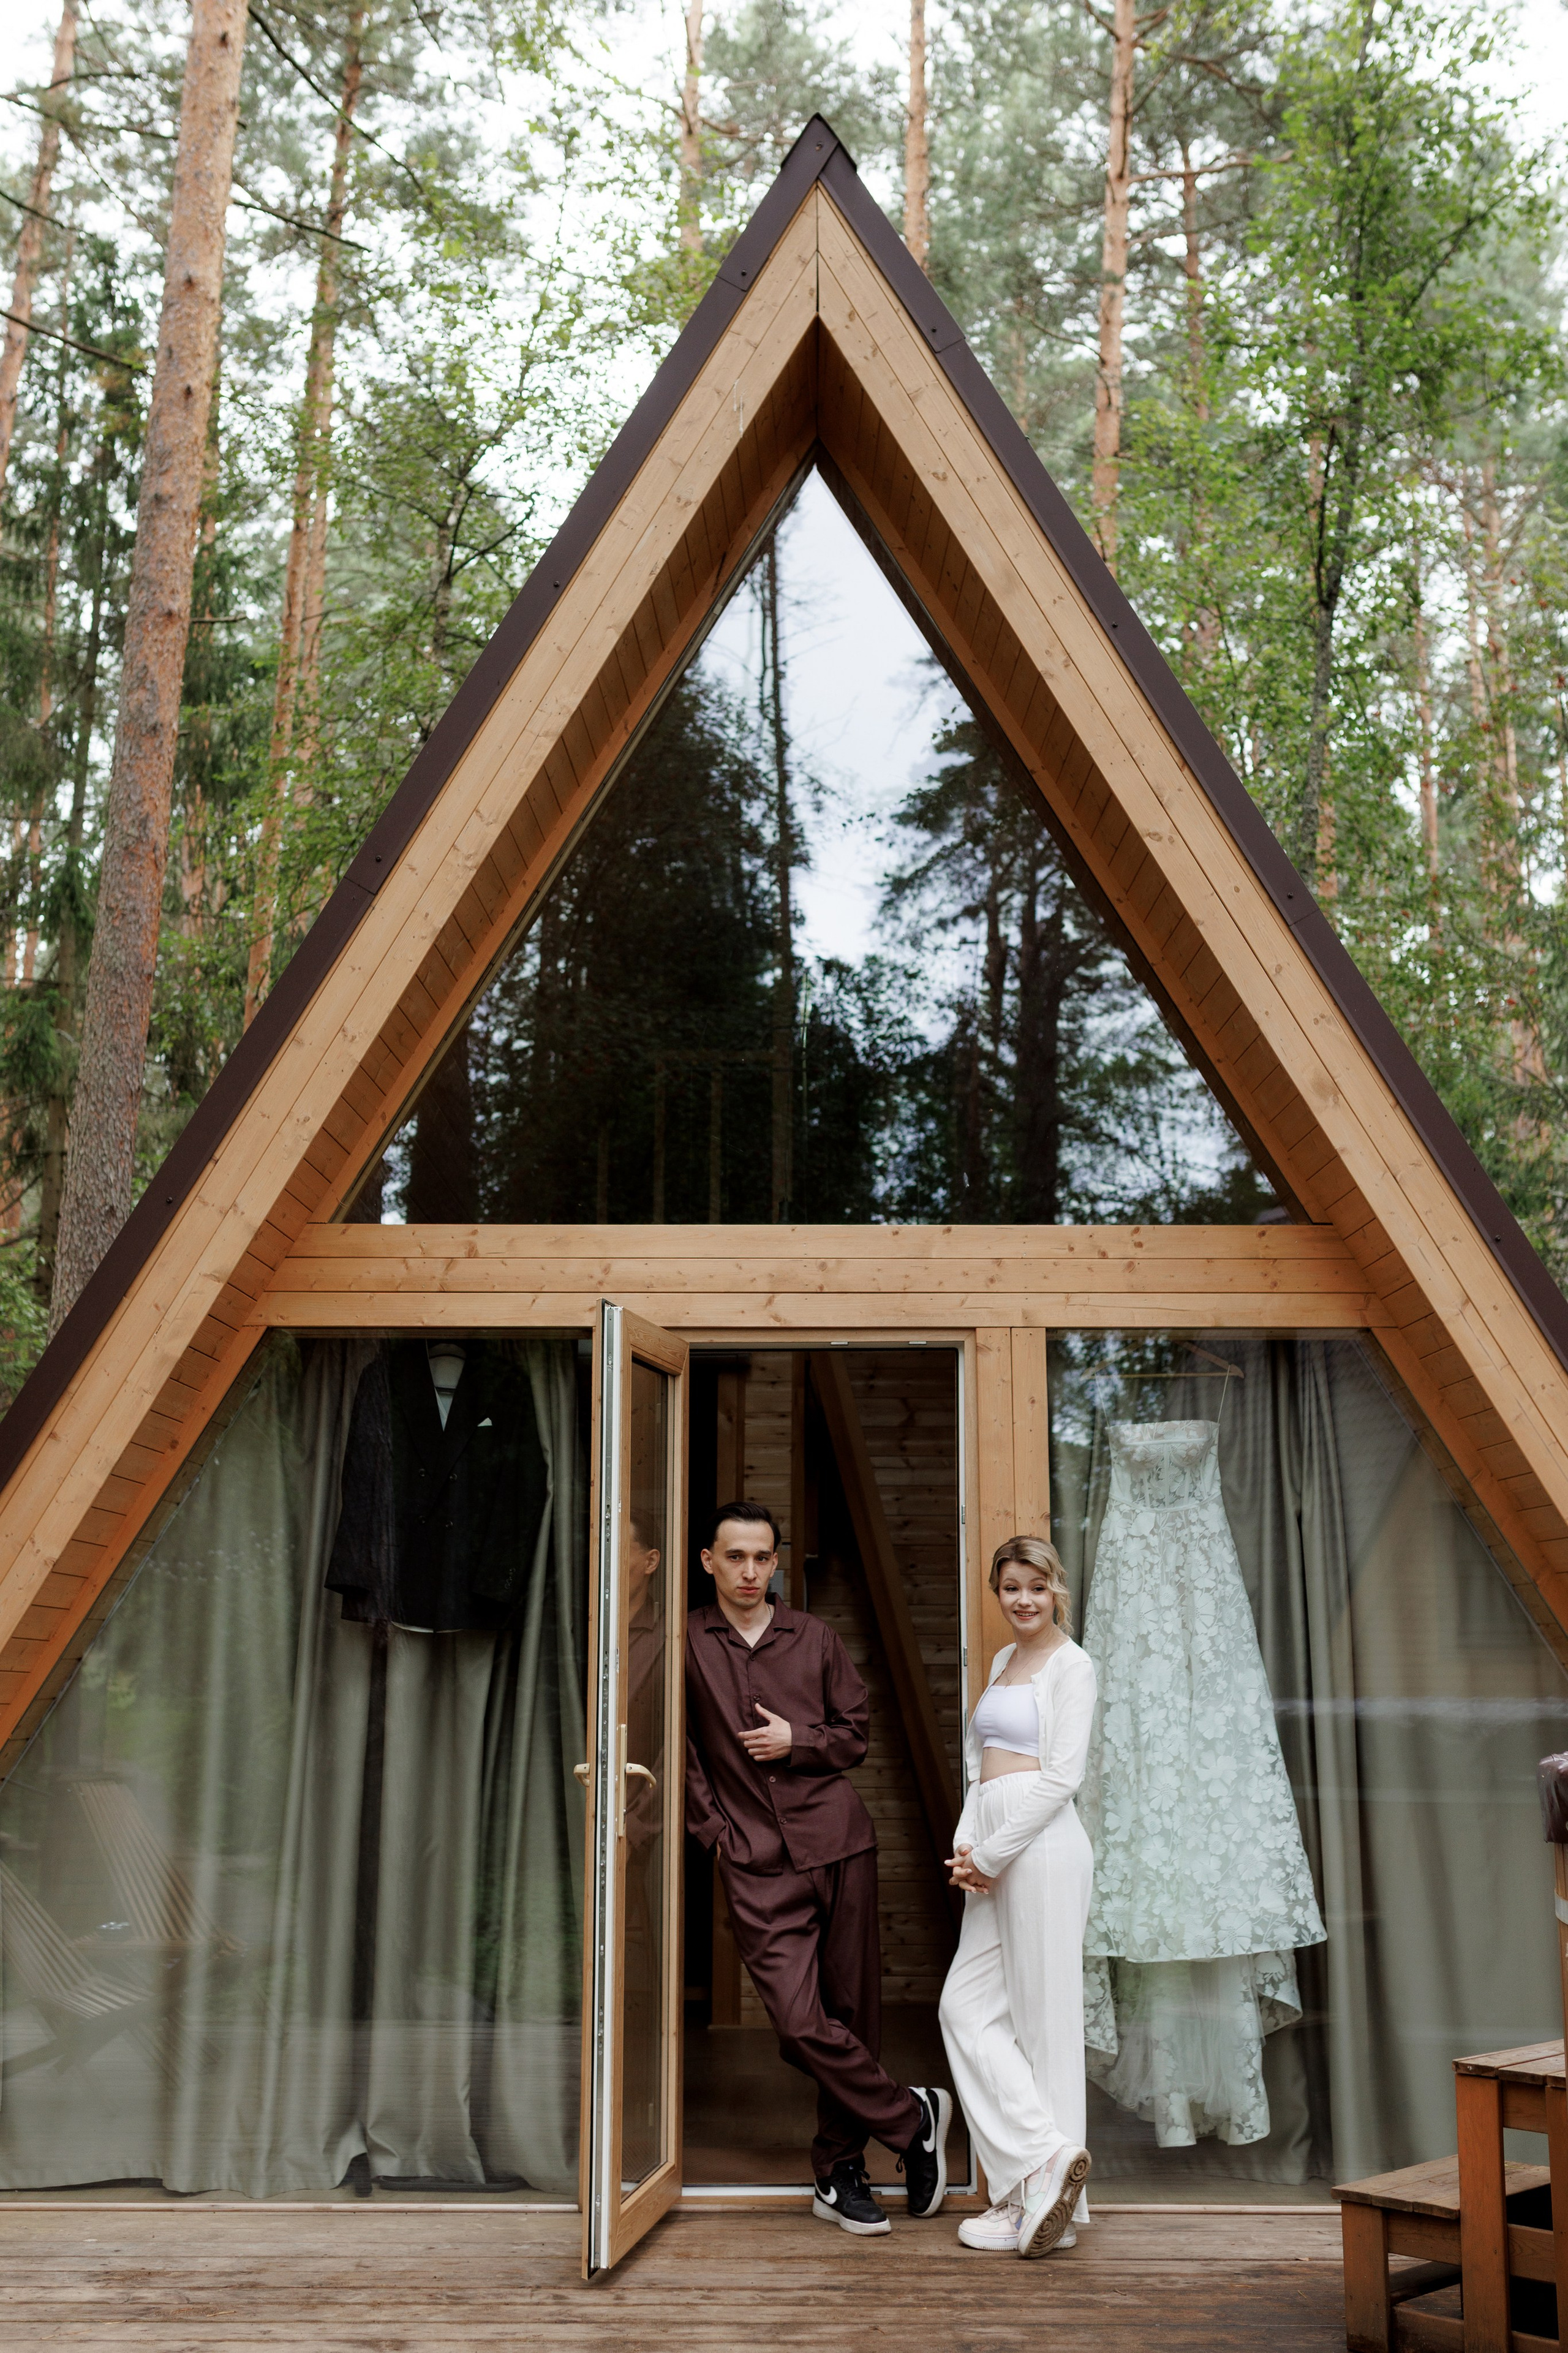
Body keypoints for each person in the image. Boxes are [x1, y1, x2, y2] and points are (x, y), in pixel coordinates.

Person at [685, 1499, 952, 2235]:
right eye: (734, 1556)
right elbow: (679, 1751)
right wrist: (715, 1833)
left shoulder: (815, 1637)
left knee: (851, 2016)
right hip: (754, 1858)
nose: (749, 1571)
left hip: (839, 1843)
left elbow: (854, 1735)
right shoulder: (685, 1642)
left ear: (775, 1562)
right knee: (801, 2023)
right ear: (707, 1561)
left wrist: (796, 1740)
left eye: (760, 1557)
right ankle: (910, 2115)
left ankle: (838, 2171)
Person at [938, 1535, 1097, 2259]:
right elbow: (982, 1770)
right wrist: (967, 1846)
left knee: (1043, 2025)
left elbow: (1060, 1776)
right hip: (992, 1846)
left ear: (1055, 1588)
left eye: (1036, 1585)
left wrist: (994, 1854)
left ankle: (1043, 2205)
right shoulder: (1004, 1659)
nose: (1023, 1599)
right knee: (964, 2010)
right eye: (1010, 1587)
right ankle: (1042, 2162)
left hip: (1043, 1849)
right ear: (997, 1592)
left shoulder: (1073, 1665)